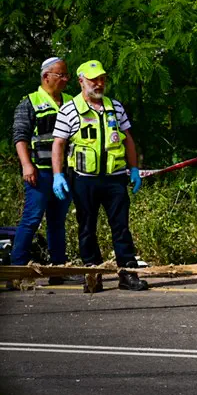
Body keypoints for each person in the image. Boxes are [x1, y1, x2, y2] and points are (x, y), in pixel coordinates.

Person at [50, 60, 148, 293]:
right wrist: (57, 175)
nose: (99, 83)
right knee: (86, 226)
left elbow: (128, 139)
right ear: (81, 81)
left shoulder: (115, 107)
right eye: (94, 79)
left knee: (121, 227)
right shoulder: (69, 110)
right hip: (84, 178)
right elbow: (58, 144)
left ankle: (128, 274)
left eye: (102, 79)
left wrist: (134, 169)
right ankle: (92, 273)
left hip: (114, 178)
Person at [10, 58, 73, 285]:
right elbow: (20, 137)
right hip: (40, 172)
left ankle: (57, 269)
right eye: (61, 75)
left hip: (63, 175)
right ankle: (17, 269)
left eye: (66, 75)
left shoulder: (70, 102)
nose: (65, 80)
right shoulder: (30, 102)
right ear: (46, 76)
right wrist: (27, 165)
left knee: (57, 221)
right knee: (32, 218)